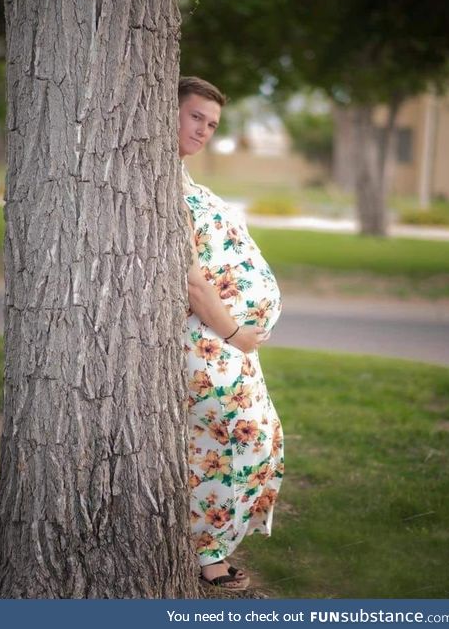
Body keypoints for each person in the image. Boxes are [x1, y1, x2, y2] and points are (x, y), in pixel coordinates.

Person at [179, 76, 284, 591]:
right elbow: (191, 278)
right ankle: (208, 553)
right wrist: (235, 330)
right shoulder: (157, 185)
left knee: (256, 440)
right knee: (245, 438)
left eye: (212, 123)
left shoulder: (187, 181)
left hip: (227, 343)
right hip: (207, 337)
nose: (204, 130)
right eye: (195, 116)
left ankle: (199, 540)